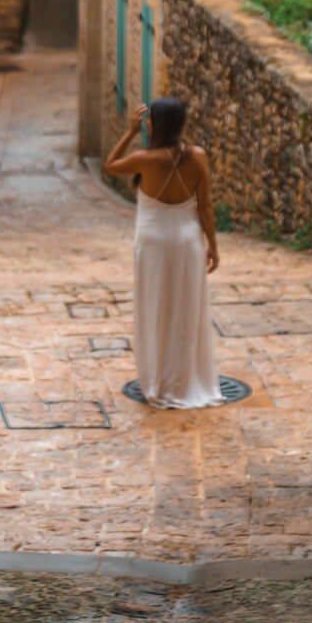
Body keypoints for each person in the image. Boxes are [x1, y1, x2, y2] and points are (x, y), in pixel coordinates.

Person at [103, 96, 223, 409]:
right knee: (186, 308)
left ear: (153, 125)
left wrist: (129, 132)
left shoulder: (145, 160)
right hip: (187, 241)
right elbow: (205, 205)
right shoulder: (198, 157)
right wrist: (213, 245)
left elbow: (110, 165)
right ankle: (185, 378)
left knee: (155, 305)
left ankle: (158, 378)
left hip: (153, 242)